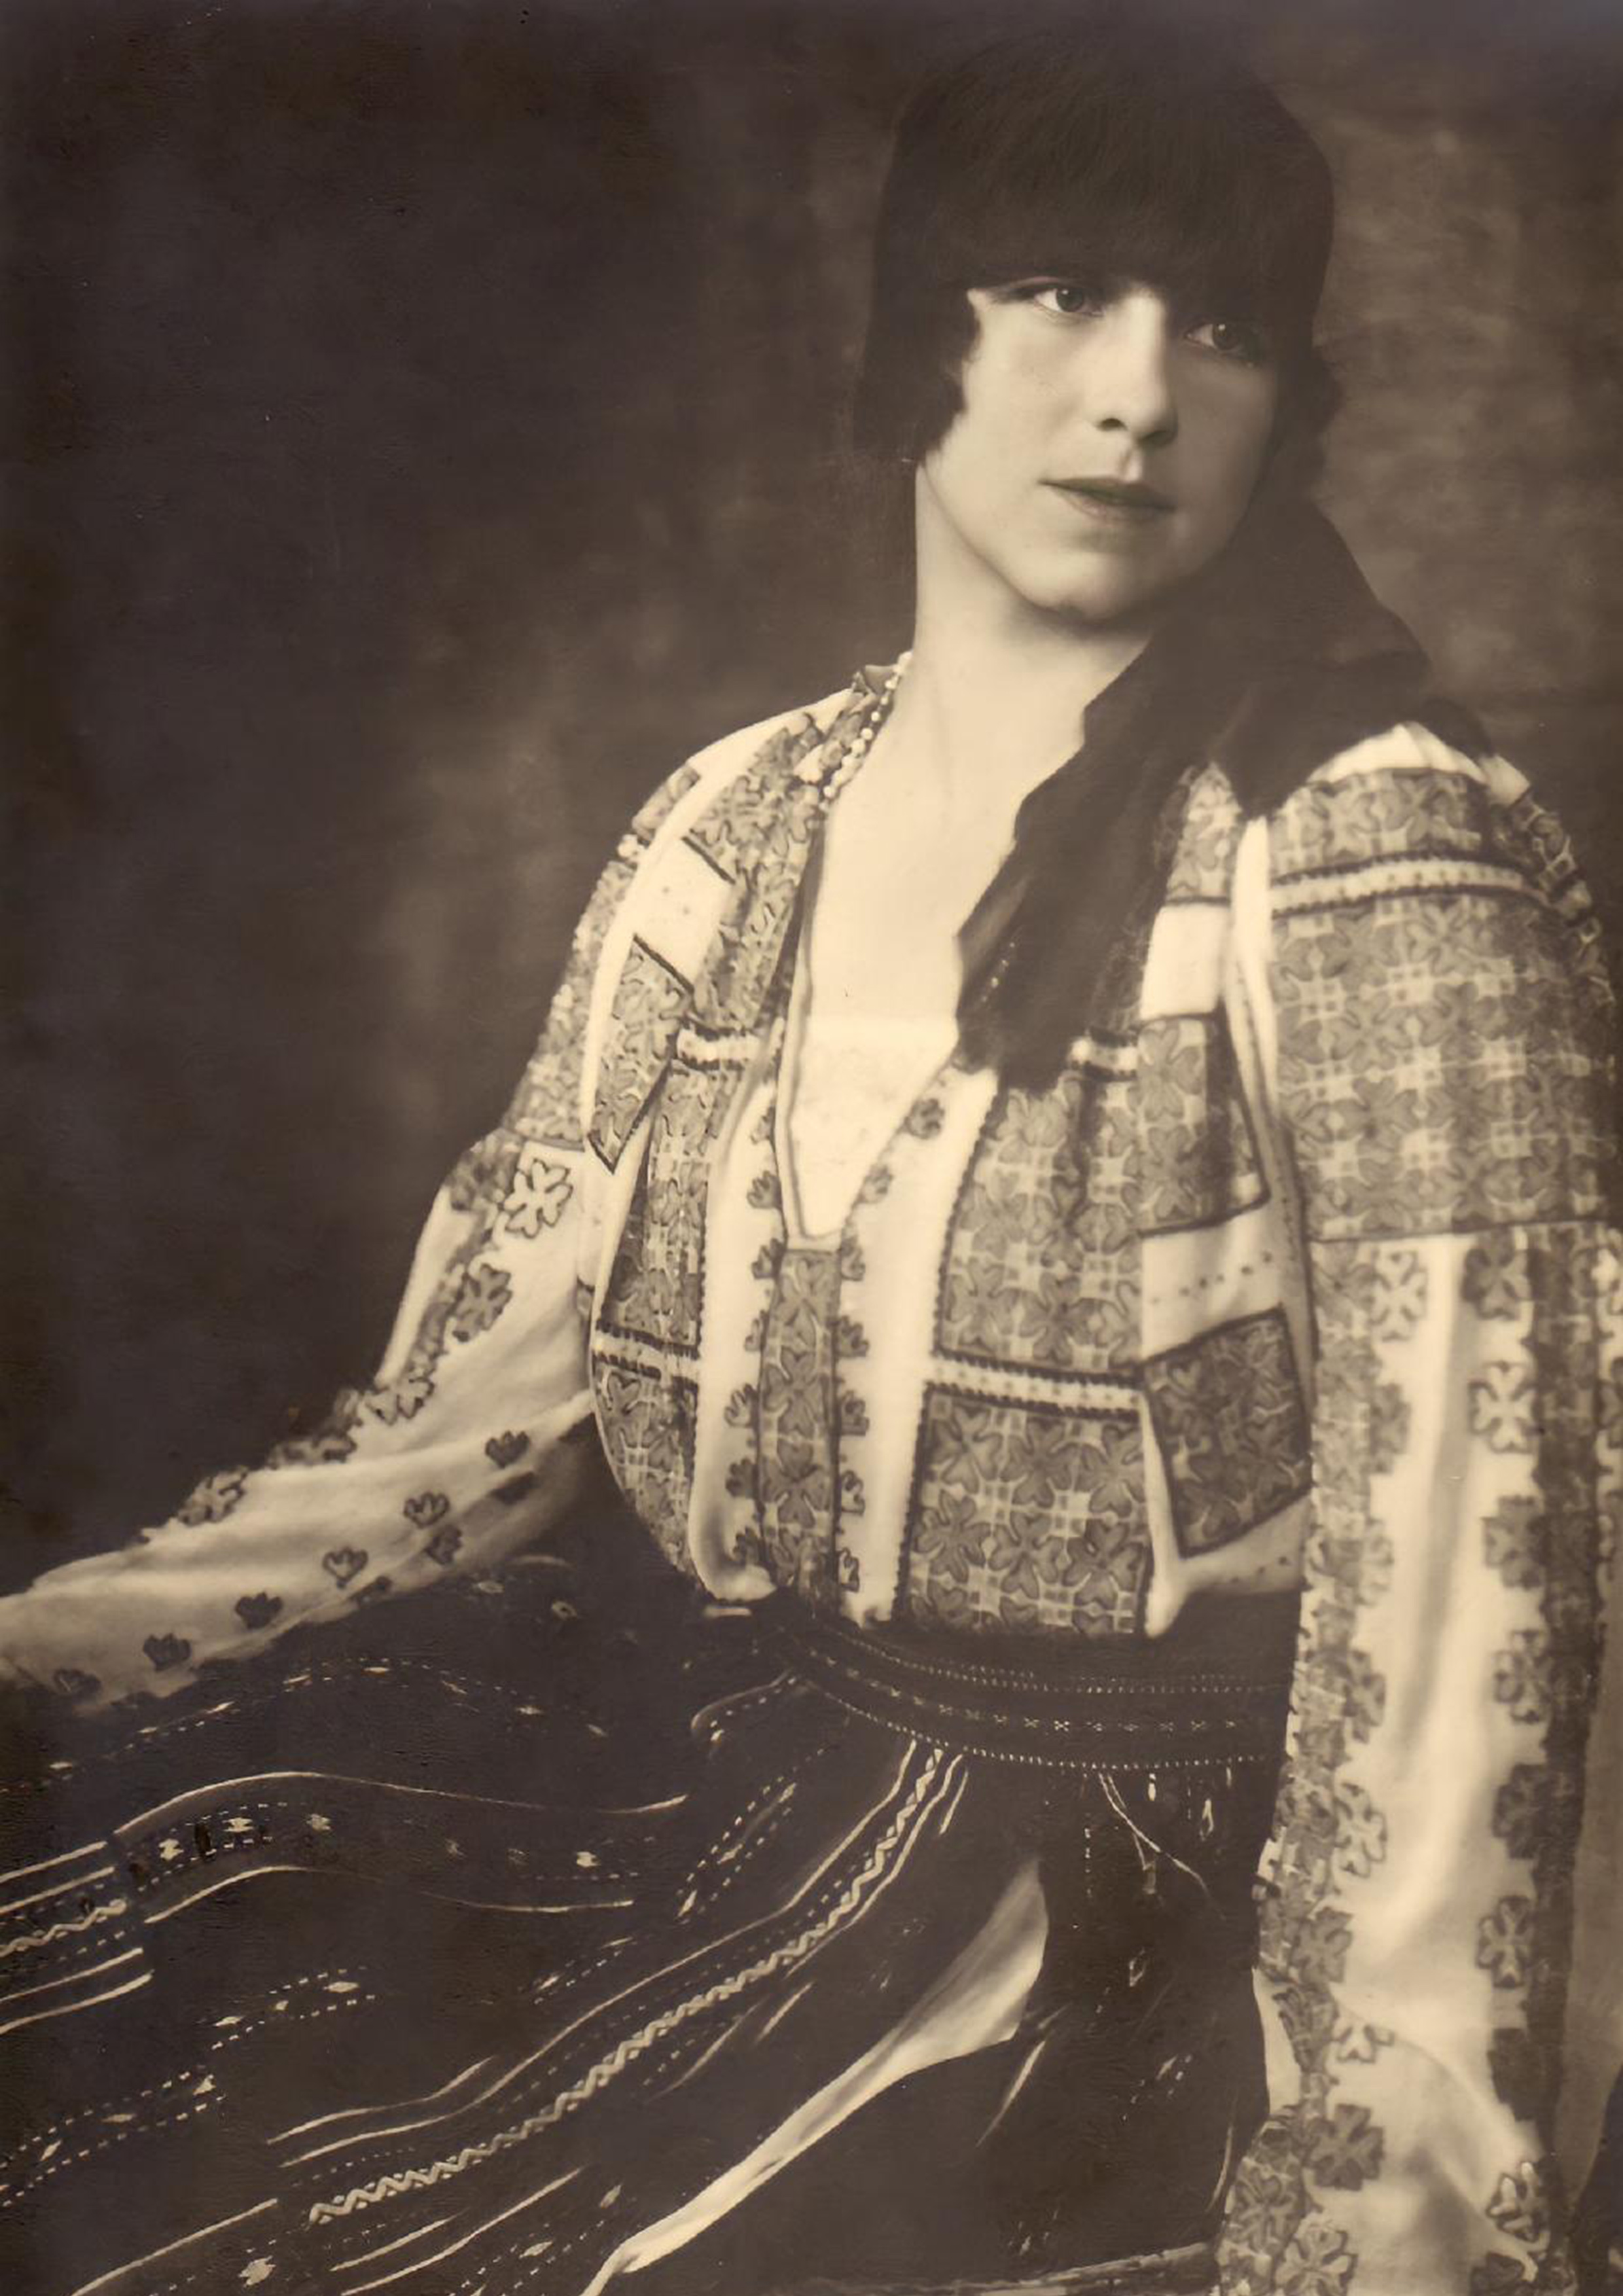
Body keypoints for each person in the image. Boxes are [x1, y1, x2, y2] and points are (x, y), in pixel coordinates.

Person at [2, 14, 1619, 2295]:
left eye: (1227, 326)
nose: (1141, 396)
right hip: (735, 1793)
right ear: (911, 331)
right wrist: (47, 1653)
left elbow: (1477, 1596)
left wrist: (1386, 2201)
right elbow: (455, 1435)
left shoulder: (1371, 856)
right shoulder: (734, 824)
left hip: (1138, 1930)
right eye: (1063, 291)